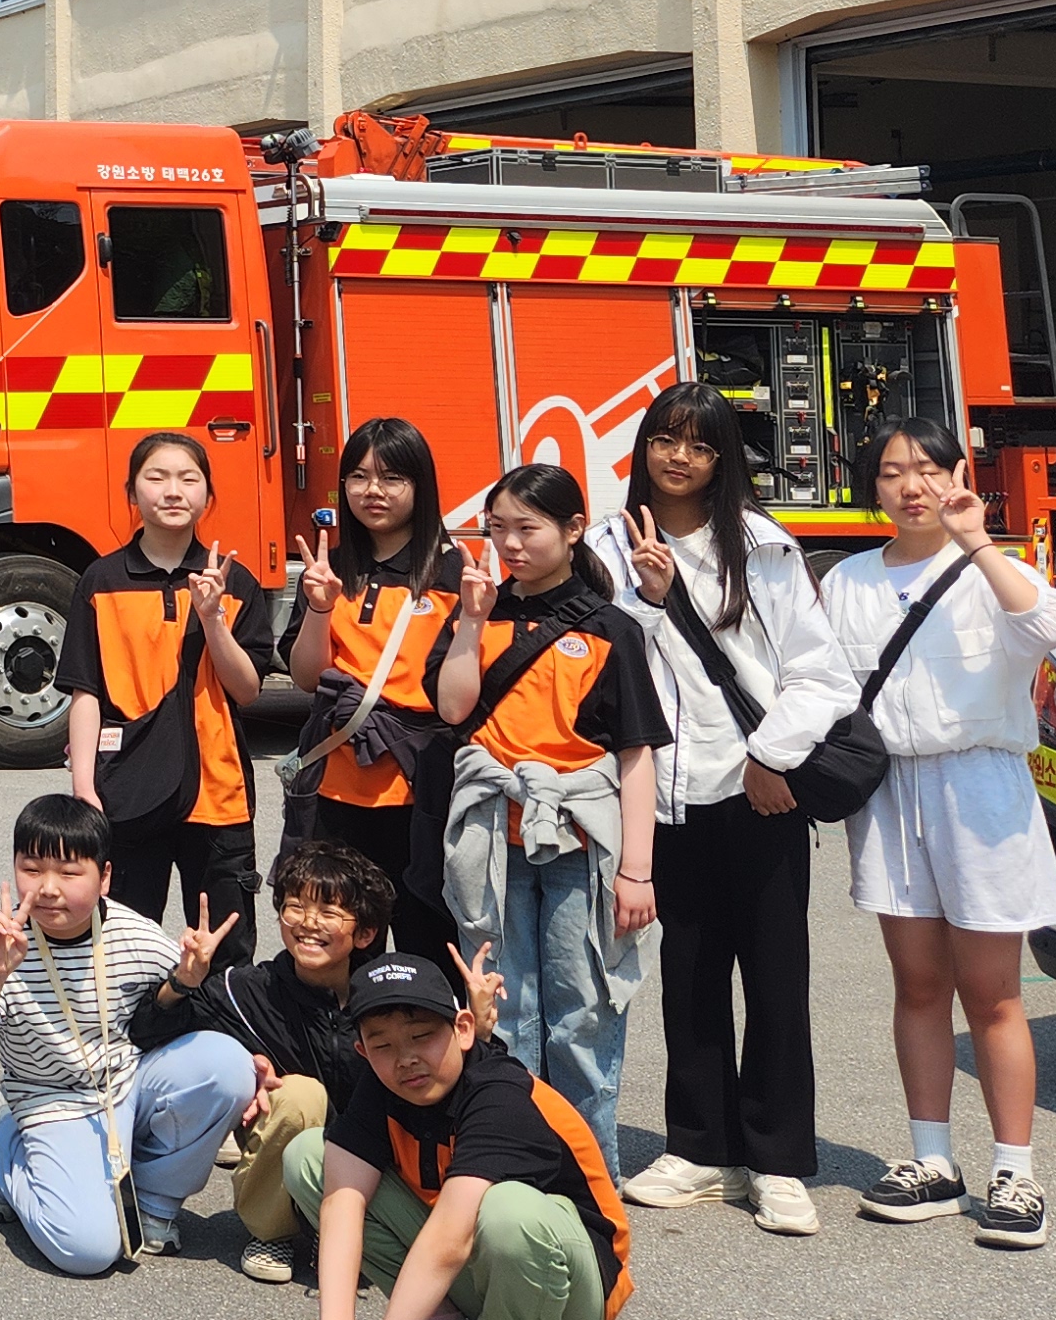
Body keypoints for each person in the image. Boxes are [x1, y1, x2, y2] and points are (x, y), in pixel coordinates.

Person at [744, 413, 1056, 1250]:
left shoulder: (995, 569)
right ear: (873, 487)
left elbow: (1053, 628)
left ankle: (1016, 1172)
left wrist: (978, 543)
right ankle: (932, 1159)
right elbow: (818, 680)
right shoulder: (850, 580)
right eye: (892, 472)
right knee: (919, 984)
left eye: (929, 468)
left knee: (993, 992)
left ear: (958, 475)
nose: (912, 486)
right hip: (892, 790)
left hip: (980, 786)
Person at [589, 382, 849, 1237]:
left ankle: (777, 1161)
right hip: (661, 797)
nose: (680, 457)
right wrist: (647, 598)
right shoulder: (604, 546)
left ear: (723, 459)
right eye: (665, 438)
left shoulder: (764, 548)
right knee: (688, 976)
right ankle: (701, 1149)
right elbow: (599, 665)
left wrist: (772, 757)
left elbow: (821, 676)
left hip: (757, 792)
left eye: (700, 445)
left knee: (775, 980)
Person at [292, 950, 635, 1320]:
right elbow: (341, 1205)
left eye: (422, 1036)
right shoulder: (382, 1088)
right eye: (383, 1045)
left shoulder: (500, 1094)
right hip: (478, 1266)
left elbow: (450, 1239)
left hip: (575, 1291)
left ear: (464, 1029)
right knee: (310, 1158)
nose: (406, 1058)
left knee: (508, 1210)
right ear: (363, 1051)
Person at [429, 464, 666, 1154]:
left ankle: (589, 1171)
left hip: (580, 842)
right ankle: (509, 1157)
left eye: (527, 528)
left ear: (573, 529)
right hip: (491, 839)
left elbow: (635, 754)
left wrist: (637, 872)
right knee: (504, 1008)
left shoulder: (612, 628)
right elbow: (452, 708)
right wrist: (472, 623)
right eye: (497, 528)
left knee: (584, 1012)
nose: (510, 544)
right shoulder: (477, 612)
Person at [0, 792, 257, 1277]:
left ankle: (153, 1200)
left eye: (69, 873)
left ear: (104, 877)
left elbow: (199, 1012)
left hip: (127, 1083)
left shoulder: (133, 934)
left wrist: (187, 980)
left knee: (229, 1066)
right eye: (31, 869)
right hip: (51, 1100)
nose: (48, 889)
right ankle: (5, 1152)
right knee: (87, 1251)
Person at [133, 837, 395, 1281]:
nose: (308, 923)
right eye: (295, 907)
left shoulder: (389, 998)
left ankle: (341, 1222)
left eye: (329, 913)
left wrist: (480, 1032)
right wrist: (184, 981)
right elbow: (148, 1031)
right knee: (298, 1095)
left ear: (365, 933)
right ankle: (273, 1231)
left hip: (370, 1161)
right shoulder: (248, 990)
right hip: (292, 1151)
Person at [64, 431, 276, 965]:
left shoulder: (234, 582)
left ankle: (223, 1022)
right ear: (132, 492)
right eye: (156, 477)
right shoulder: (101, 580)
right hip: (127, 791)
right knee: (121, 946)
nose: (173, 491)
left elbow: (247, 689)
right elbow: (86, 692)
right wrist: (84, 788)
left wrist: (213, 617)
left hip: (218, 793)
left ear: (208, 495)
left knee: (225, 949)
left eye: (188, 479)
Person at [280, 417, 462, 963]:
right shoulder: (331, 568)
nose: (373, 491)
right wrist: (319, 607)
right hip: (335, 793)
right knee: (340, 951)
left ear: (421, 486)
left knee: (428, 949)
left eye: (392, 478)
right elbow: (306, 677)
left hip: (421, 793)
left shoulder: (452, 572)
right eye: (358, 477)